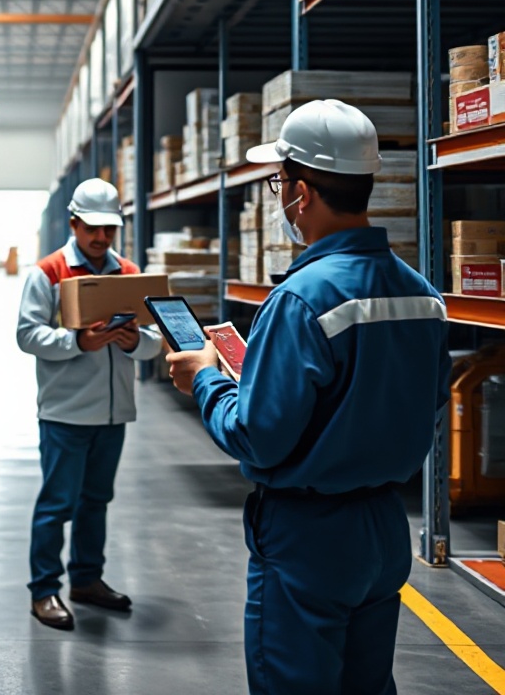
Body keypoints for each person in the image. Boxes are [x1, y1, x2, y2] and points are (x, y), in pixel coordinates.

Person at [165, 100, 451, 695]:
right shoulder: (422, 295)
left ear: (301, 192)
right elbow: (422, 401)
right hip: (384, 527)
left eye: (278, 183)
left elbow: (258, 437)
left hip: (309, 535)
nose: (279, 197)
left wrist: (206, 379)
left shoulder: (300, 299)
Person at [17, 178, 162, 630]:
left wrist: (134, 340)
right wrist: (78, 341)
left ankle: (86, 580)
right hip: (65, 413)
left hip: (113, 413)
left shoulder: (131, 273)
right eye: (92, 228)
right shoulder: (49, 272)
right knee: (57, 504)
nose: (101, 237)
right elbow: (27, 335)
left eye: (109, 229)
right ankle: (44, 590)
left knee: (96, 500)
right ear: (73, 224)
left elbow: (155, 340)